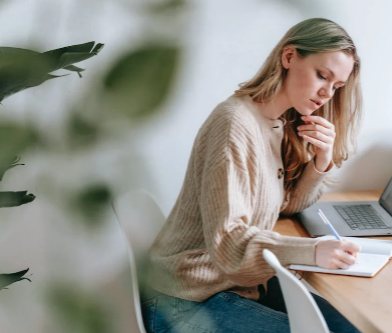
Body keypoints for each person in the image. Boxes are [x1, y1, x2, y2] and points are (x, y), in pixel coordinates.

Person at [143, 17, 364, 333]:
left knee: (351, 327)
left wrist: (321, 159)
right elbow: (228, 241)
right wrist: (311, 251)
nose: (327, 92)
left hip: (232, 286)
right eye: (322, 75)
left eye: (336, 86)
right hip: (184, 301)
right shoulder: (234, 124)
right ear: (288, 57)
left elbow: (285, 205)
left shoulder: (275, 123)